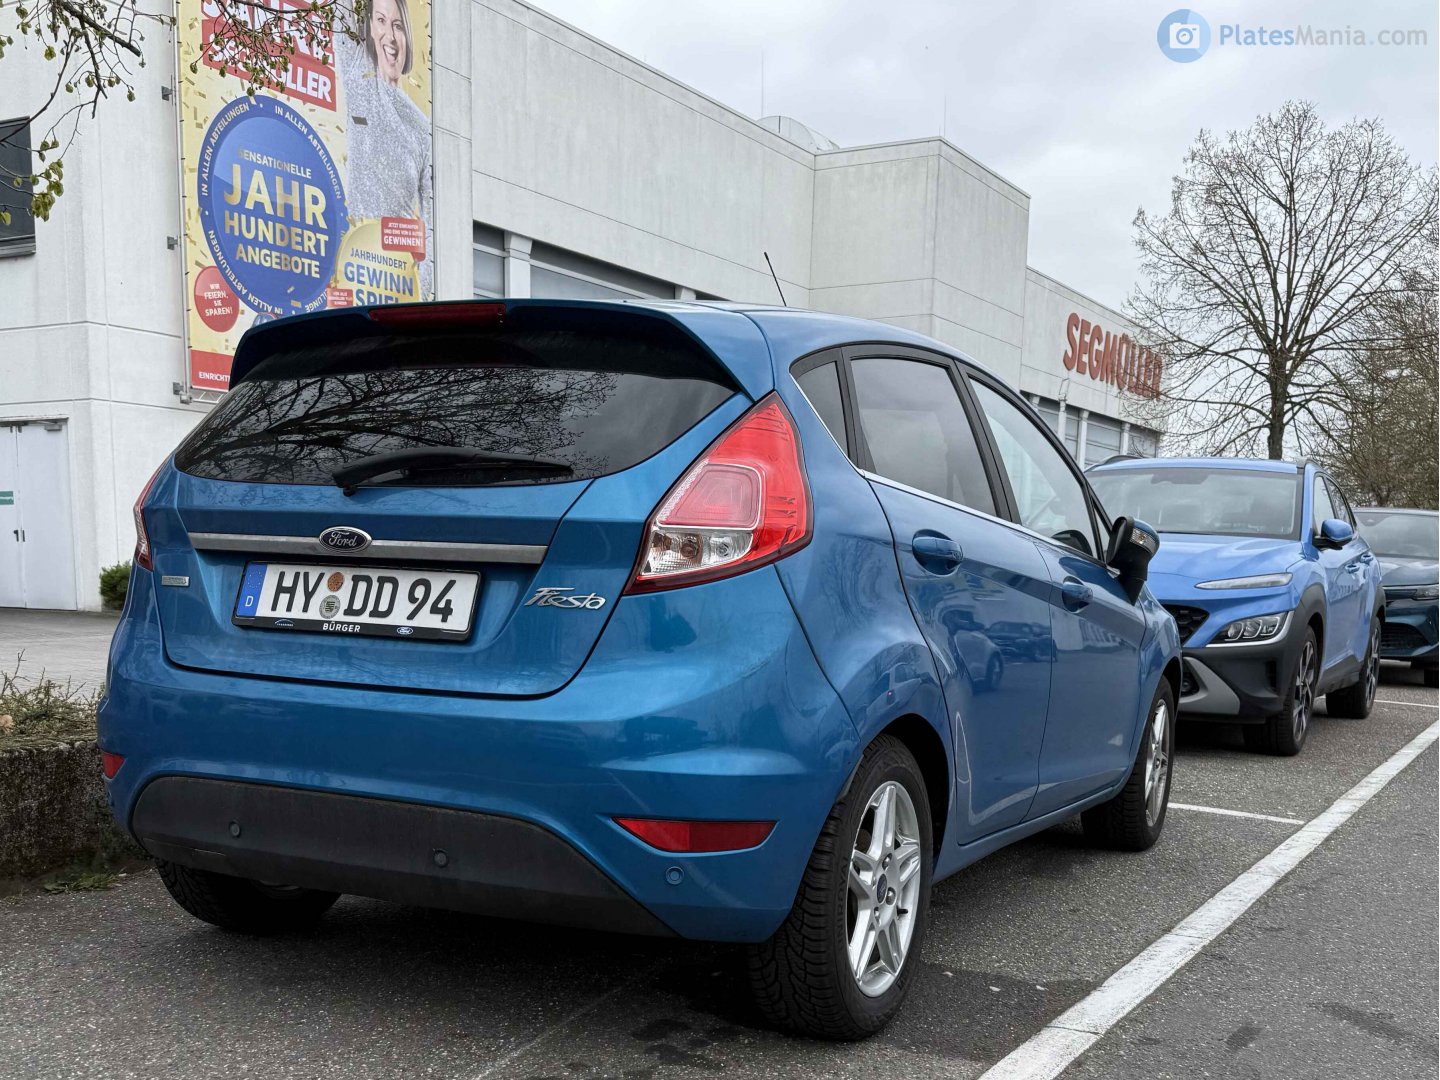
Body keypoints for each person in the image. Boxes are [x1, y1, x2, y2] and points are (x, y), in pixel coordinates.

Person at [337, 0, 433, 298]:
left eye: (398, 26)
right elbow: (340, 13)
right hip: (354, 272)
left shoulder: (422, 129)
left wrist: (419, 300)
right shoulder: (358, 77)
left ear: (408, 36)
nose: (390, 36)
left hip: (398, 284)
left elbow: (431, 229)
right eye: (380, 20)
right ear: (368, 27)